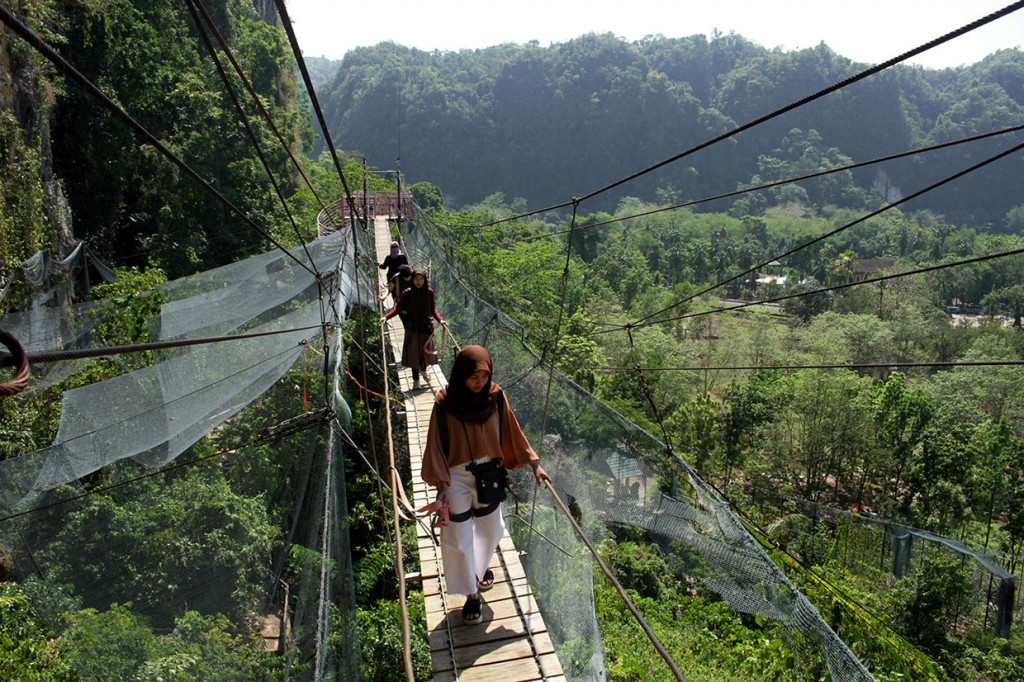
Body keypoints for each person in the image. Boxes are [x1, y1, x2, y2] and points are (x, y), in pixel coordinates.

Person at [421, 346, 550, 625]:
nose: (479, 384)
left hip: (490, 472)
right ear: (461, 375)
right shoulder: (444, 404)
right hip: (456, 477)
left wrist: (534, 463)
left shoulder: (495, 397)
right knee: (459, 534)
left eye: (483, 377)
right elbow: (436, 445)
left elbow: (512, 431)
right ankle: (471, 595)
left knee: (492, 529)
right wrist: (441, 484)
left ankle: (478, 570)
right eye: (473, 378)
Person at [381, 267, 444, 389]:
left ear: (425, 280)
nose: (419, 282)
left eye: (421, 279)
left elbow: (433, 310)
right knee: (415, 353)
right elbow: (398, 309)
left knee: (424, 353)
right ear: (412, 280)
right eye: (416, 279)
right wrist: (386, 317)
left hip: (425, 327)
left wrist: (440, 320)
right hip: (412, 328)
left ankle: (423, 370)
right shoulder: (407, 293)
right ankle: (416, 381)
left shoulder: (429, 292)